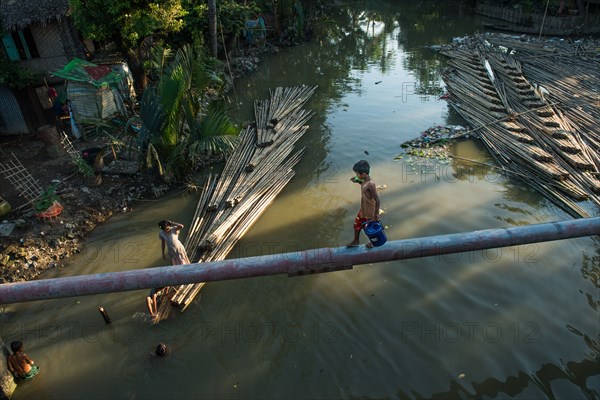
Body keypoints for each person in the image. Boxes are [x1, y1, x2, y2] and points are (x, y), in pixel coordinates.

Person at [146, 220, 191, 320]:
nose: (166, 230)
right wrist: (162, 253)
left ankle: (188, 278)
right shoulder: (162, 233)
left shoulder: (174, 229)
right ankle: (182, 278)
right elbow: (163, 243)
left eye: (167, 228)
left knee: (184, 265)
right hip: (172, 252)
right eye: (164, 229)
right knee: (177, 267)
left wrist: (171, 223)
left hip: (179, 250)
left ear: (168, 226)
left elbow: (182, 225)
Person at [347, 160, 381, 248]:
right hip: (363, 209)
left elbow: (377, 200)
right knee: (357, 224)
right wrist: (356, 180)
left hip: (370, 212)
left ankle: (374, 242)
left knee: (370, 228)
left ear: (364, 174)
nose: (356, 175)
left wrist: (376, 214)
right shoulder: (364, 181)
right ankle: (356, 240)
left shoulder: (371, 184)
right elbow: (362, 184)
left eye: (357, 174)